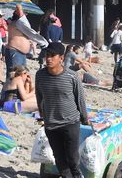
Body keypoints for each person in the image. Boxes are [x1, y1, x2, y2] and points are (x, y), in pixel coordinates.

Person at [35, 42, 89, 178]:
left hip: (70, 123)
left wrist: (84, 118)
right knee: (59, 160)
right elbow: (39, 95)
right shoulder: (40, 75)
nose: (48, 59)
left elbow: (80, 99)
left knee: (72, 159)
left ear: (61, 58)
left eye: (52, 56)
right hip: (51, 124)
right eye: (47, 55)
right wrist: (43, 115)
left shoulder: (72, 76)